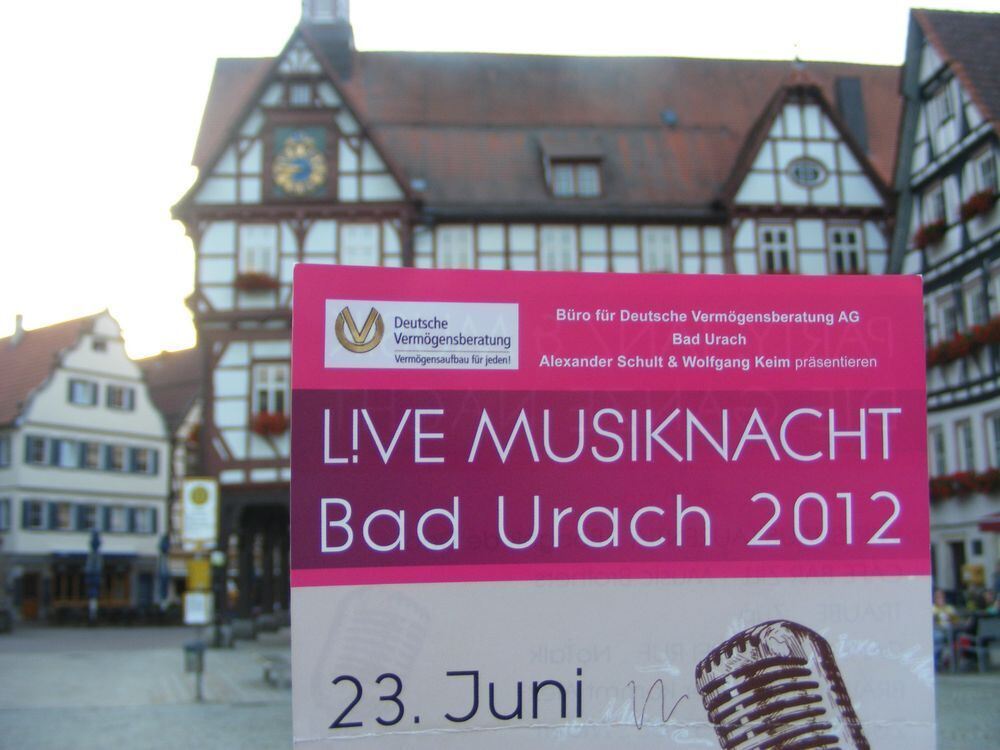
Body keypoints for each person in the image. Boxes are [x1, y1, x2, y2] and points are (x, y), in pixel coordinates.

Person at [933, 589, 959, 669]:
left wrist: (950, 619)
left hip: (949, 631)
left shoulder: (949, 608)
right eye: (938, 597)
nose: (940, 599)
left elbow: (956, 620)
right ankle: (936, 663)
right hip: (937, 631)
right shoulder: (932, 609)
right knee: (938, 637)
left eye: (942, 597)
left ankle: (941, 662)